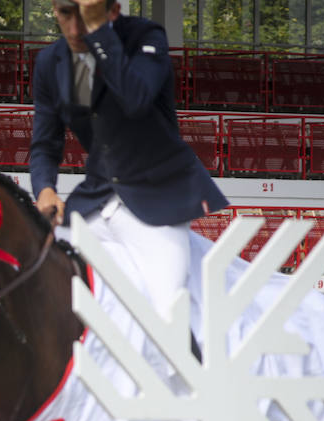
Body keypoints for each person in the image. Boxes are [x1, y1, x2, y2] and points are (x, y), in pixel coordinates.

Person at [30, 0, 227, 323]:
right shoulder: (50, 61)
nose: (76, 29)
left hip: (158, 194)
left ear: (113, 10)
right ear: (54, 10)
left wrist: (100, 34)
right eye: (67, 14)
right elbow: (45, 143)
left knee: (168, 314)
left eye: (86, 17)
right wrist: (45, 189)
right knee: (39, 290)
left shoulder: (146, 37)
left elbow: (135, 100)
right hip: (94, 198)